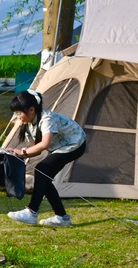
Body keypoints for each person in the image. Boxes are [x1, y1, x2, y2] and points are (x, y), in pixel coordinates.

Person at [5, 90, 87, 228]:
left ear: (31, 110)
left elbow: (44, 144)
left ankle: (32, 212)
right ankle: (62, 217)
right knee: (44, 176)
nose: (17, 117)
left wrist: (22, 151)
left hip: (75, 144)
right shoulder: (29, 124)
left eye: (18, 113)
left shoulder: (47, 119)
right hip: (60, 147)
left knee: (41, 170)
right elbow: (35, 149)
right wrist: (17, 154)